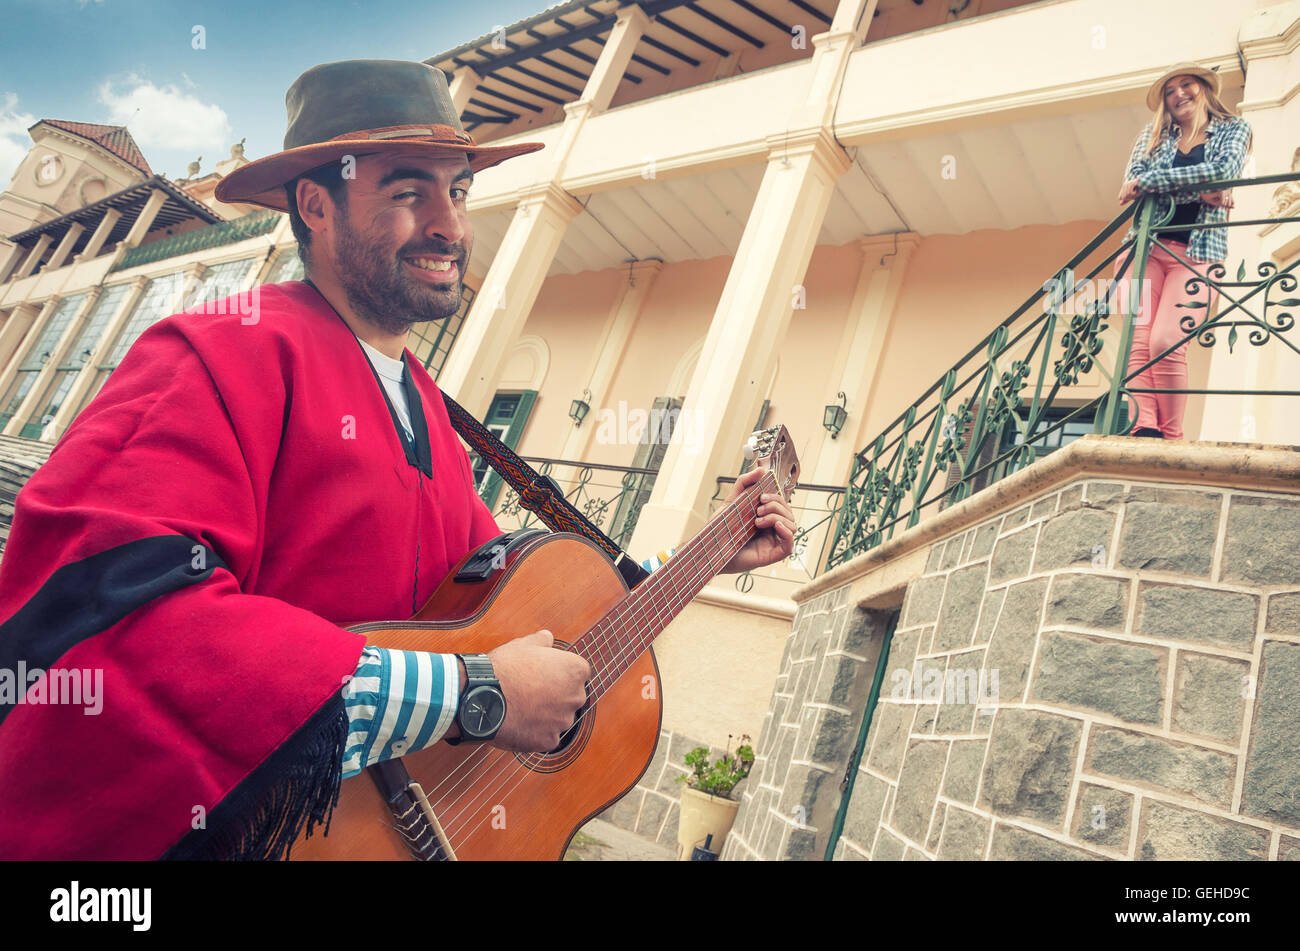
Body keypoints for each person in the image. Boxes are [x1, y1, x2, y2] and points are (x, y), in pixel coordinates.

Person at [0, 60, 796, 860]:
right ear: (315, 204)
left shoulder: (429, 413)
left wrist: (707, 552)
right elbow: (120, 615)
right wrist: (471, 694)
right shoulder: (216, 351)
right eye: (410, 192)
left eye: (459, 192)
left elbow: (522, 615)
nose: (450, 227)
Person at [1114, 62, 1252, 440]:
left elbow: (1222, 171)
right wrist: (1200, 189)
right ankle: (1144, 428)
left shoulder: (1234, 129)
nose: (1178, 94)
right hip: (1144, 249)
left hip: (1199, 253)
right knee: (1138, 343)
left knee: (1166, 341)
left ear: (1203, 88)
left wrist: (1154, 183)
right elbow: (1131, 185)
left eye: (1186, 84)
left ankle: (1171, 437)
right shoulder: (1152, 135)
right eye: (1169, 90)